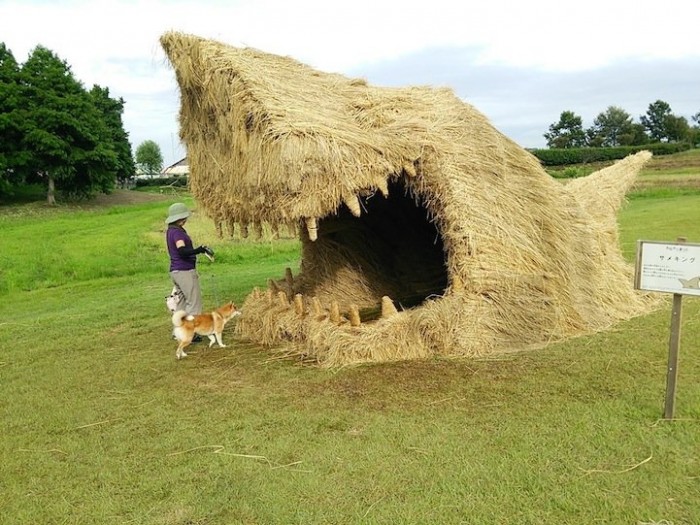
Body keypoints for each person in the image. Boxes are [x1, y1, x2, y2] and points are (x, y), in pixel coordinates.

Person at [165, 202, 213, 322]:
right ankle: (192, 331)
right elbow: (182, 251)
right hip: (184, 271)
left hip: (175, 271)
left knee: (181, 303)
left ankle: (179, 331)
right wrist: (199, 250)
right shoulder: (177, 233)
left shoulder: (171, 230)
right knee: (193, 302)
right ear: (180, 218)